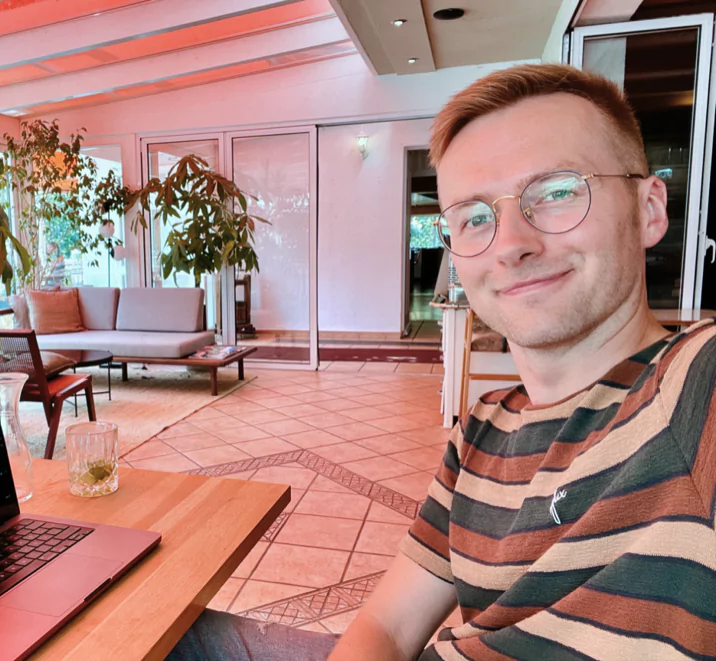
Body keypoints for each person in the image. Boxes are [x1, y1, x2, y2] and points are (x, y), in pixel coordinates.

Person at [169, 63, 716, 661]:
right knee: (156, 627)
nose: (510, 243)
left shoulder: (691, 391)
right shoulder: (482, 428)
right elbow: (388, 625)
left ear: (650, 209)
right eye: (475, 216)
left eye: (558, 192)